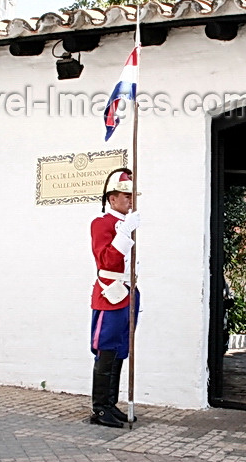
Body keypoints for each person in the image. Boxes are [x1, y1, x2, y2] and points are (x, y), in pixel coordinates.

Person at [89, 167, 141, 428]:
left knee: (120, 349)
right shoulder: (102, 224)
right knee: (106, 350)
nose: (130, 201)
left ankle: (111, 403)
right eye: (125, 196)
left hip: (129, 292)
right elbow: (107, 259)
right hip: (111, 294)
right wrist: (124, 232)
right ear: (112, 199)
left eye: (131, 197)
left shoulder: (124, 223)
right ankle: (99, 410)